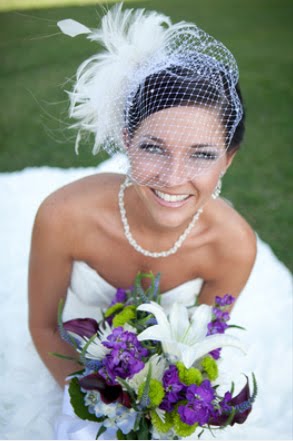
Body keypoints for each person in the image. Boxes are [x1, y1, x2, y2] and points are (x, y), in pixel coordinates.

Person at [1, 4, 291, 440]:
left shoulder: (232, 248)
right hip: (69, 362)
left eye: (202, 154)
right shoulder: (63, 217)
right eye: (154, 147)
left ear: (228, 161)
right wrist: (98, 410)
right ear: (126, 141)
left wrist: (152, 415)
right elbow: (43, 325)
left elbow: (200, 345)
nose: (174, 178)